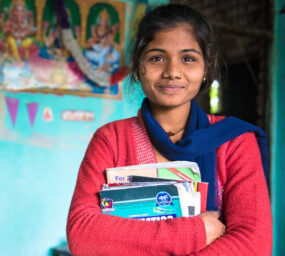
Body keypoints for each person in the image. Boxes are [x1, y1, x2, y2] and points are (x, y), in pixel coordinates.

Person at [66, 3, 272, 255]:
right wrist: (196, 232)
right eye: (157, 58)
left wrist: (129, 241)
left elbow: (253, 244)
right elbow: (83, 236)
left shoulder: (235, 142)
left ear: (206, 67)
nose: (172, 72)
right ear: (138, 66)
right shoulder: (111, 139)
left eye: (188, 58)